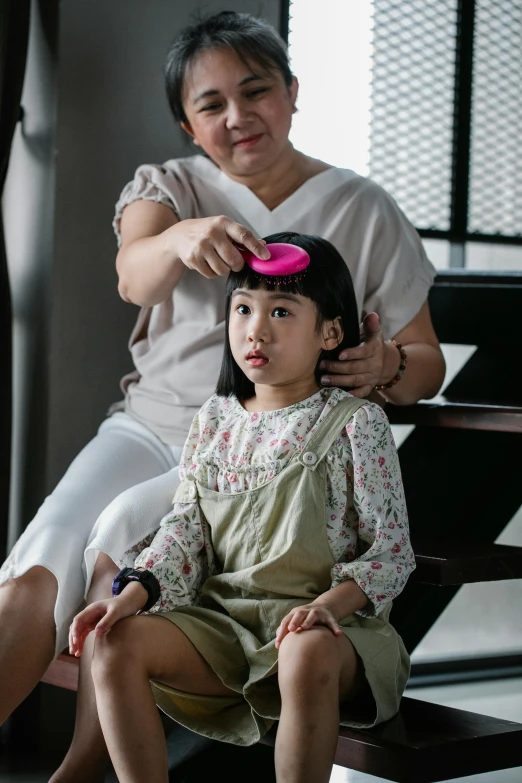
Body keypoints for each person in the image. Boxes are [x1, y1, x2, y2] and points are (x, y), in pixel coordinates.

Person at [0, 9, 444, 776]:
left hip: (274, 448)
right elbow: (131, 272)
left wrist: (386, 368)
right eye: (211, 105)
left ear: (293, 93)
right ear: (186, 122)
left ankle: (77, 770)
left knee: (121, 533)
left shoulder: (363, 207)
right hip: (154, 426)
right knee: (39, 563)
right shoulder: (167, 187)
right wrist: (177, 238)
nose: (238, 117)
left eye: (257, 91)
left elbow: (425, 360)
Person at [69, 233, 416, 783]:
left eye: (281, 310)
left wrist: (327, 607)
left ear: (330, 330)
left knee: (304, 649)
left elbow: (392, 552)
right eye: (243, 309)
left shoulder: (356, 422)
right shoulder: (214, 419)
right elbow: (185, 532)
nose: (256, 329)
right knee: (114, 643)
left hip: (334, 635)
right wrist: (131, 594)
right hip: (227, 627)